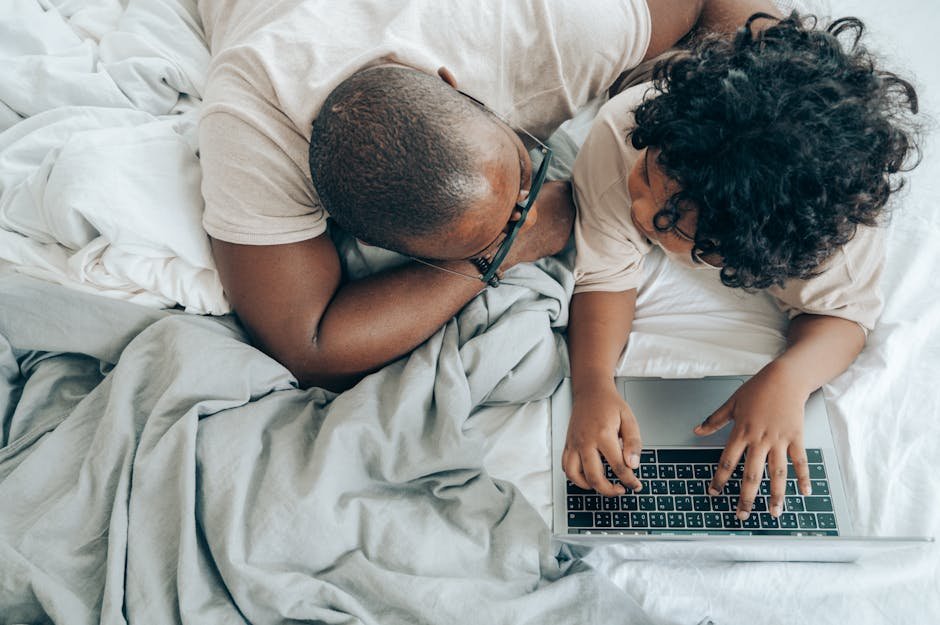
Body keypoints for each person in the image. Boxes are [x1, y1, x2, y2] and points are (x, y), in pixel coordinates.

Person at [197, 0, 782, 392]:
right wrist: (509, 249)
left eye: (521, 171)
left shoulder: (567, 30)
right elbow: (311, 346)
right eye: (503, 223)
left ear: (456, 84)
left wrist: (709, 132)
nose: (535, 195)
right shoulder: (252, 128)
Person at [563, 12, 920, 523]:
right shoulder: (627, 133)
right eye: (646, 178)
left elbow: (842, 316)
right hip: (690, 69)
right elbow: (605, 274)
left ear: (749, 259)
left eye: (670, 226)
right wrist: (593, 383)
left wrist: (788, 380)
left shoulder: (833, 232)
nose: (638, 211)